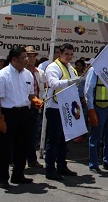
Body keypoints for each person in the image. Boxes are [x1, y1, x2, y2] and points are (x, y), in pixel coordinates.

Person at [0, 46, 43, 188]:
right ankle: (2, 178)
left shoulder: (27, 74)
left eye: (27, 57)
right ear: (14, 59)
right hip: (8, 114)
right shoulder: (2, 75)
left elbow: (30, 94)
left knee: (23, 145)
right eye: (24, 57)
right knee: (5, 147)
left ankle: (18, 175)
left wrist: (35, 101)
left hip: (25, 113)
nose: (27, 60)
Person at [44, 43, 81, 180]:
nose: (69, 57)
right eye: (67, 54)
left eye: (71, 54)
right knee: (53, 140)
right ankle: (50, 169)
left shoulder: (70, 68)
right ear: (60, 53)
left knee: (63, 140)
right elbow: (53, 83)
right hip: (54, 108)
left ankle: (61, 166)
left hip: (66, 107)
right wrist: (69, 81)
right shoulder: (53, 67)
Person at [85, 55, 108, 173]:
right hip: (99, 107)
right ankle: (94, 164)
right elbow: (88, 90)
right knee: (96, 136)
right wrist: (91, 109)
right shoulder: (94, 70)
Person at [25, 46, 46, 169]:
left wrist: (41, 101)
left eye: (33, 56)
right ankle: (16, 160)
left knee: (34, 135)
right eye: (29, 56)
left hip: (36, 107)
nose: (32, 59)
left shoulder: (40, 73)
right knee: (21, 135)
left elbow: (43, 89)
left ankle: (32, 159)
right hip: (24, 107)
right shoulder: (21, 72)